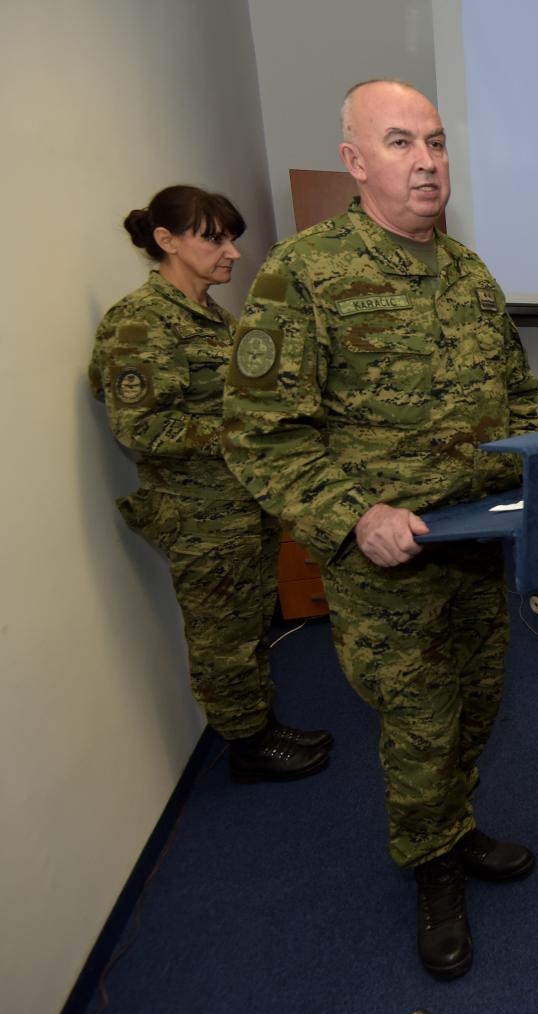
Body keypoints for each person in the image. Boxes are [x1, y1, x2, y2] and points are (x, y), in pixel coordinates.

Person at [222, 80, 538, 981]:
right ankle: (430, 865)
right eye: (401, 143)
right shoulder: (305, 274)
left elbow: (517, 393)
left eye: (436, 142)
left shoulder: (472, 274)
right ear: (355, 163)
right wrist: (353, 516)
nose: (428, 161)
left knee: (478, 704)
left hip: (480, 545)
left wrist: (522, 475)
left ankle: (457, 824)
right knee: (420, 721)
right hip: (387, 562)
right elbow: (260, 433)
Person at [90, 186, 330, 783]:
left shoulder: (217, 319)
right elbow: (139, 425)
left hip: (240, 508)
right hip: (199, 519)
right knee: (222, 640)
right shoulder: (141, 321)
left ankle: (261, 724)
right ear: (166, 241)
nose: (232, 253)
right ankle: (248, 747)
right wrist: (237, 431)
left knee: (249, 627)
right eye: (214, 238)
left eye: (231, 238)